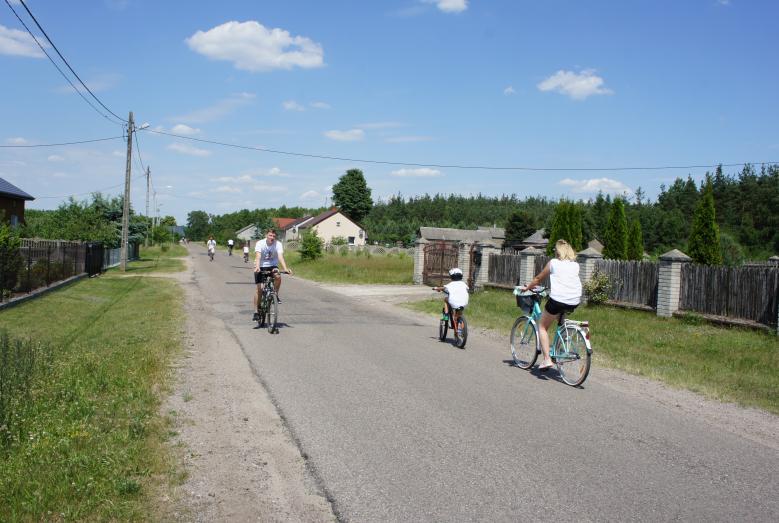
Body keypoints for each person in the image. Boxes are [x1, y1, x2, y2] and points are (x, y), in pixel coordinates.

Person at [521, 239, 582, 371]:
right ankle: (560, 349)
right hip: (574, 301)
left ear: (558, 251)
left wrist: (527, 288)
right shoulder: (575, 265)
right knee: (560, 320)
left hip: (558, 300)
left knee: (542, 326)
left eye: (555, 250)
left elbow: (538, 279)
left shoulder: (553, 263)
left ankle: (547, 359)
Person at [253, 228, 293, 321]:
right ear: (266, 235)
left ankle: (275, 294)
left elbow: (280, 256)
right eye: (270, 235)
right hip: (261, 266)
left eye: (274, 236)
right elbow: (258, 256)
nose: (272, 237)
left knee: (278, 276)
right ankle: (256, 311)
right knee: (259, 289)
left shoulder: (278, 244)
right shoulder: (260, 243)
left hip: (272, 266)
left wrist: (285, 268)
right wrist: (258, 267)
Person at [433, 268, 469, 335]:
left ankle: (446, 315)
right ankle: (462, 329)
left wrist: (436, 288)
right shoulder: (464, 284)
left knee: (446, 299)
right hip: (464, 302)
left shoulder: (450, 284)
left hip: (454, 302)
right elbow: (467, 289)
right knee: (459, 313)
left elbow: (443, 288)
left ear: (451, 276)